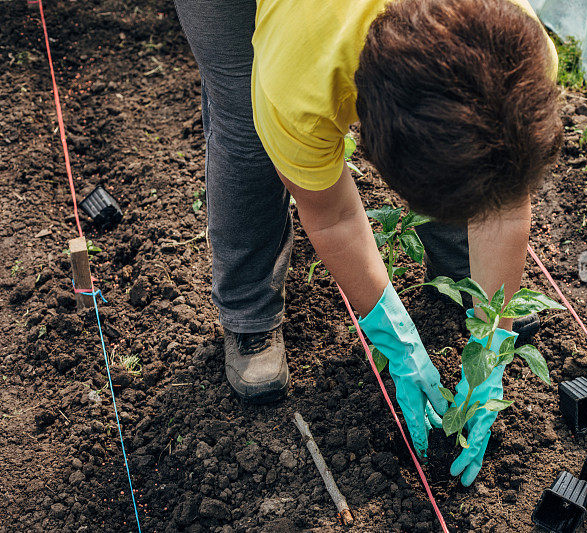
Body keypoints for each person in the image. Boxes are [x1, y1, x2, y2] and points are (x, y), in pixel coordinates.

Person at [174, 0, 561, 487]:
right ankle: (248, 311)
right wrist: (392, 335)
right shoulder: (298, 82)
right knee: (246, 125)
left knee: (467, 153)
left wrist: (492, 338)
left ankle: (462, 262)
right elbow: (333, 215)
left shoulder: (520, 55)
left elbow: (506, 205)